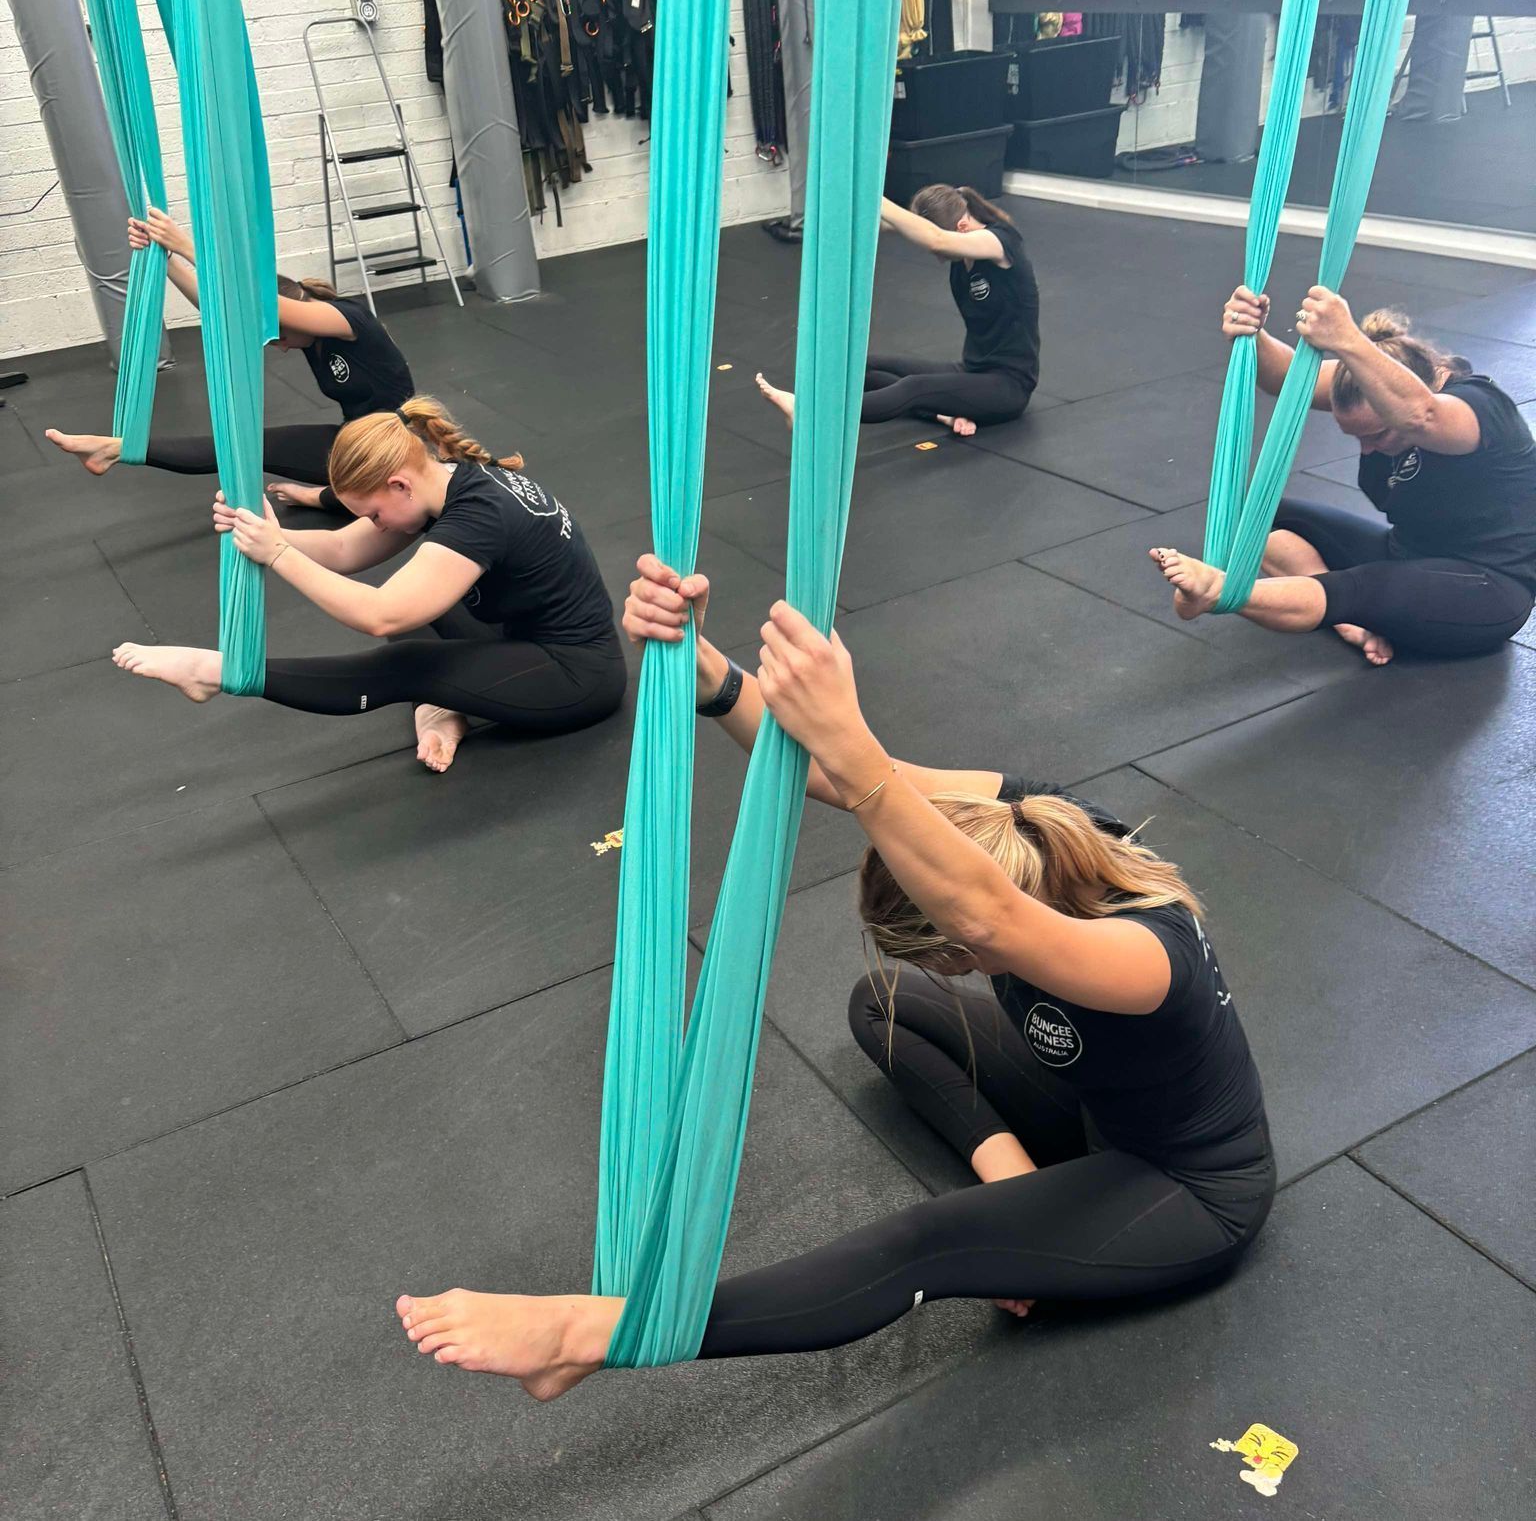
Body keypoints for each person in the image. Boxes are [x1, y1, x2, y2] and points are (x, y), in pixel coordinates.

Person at [391, 555, 1275, 1396]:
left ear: (970, 943)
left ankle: (593, 1332)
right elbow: (855, 781)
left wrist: (851, 735)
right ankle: (1025, 1194)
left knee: (924, 1244)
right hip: (1097, 1107)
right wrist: (716, 681)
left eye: (951, 957)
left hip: (1185, 1190)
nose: (953, 962)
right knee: (884, 1002)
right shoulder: (1031, 819)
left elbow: (982, 913)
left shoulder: (1146, 956)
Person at [111, 398, 626, 773]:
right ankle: (446, 705)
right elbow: (342, 551)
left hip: (576, 677)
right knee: (418, 605)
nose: (375, 524)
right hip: (518, 634)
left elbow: (380, 614)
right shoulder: (447, 481)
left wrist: (279, 553)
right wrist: (269, 533)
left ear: (399, 483)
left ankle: (219, 673)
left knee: (403, 656)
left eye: (374, 511)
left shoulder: (479, 518)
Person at [1152, 287, 1536, 664]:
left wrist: (1347, 337)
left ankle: (1221, 594)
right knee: (1252, 515)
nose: (1367, 450)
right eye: (1357, 439)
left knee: (1364, 587)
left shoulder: (1480, 409)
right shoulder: (1361, 380)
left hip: (1487, 589)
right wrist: (1253, 332)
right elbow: (1285, 379)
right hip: (1403, 554)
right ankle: (1349, 620)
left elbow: (1421, 415)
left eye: (1378, 435)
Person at [46, 207, 415, 513]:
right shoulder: (309, 339)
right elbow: (217, 308)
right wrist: (166, 258)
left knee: (370, 498)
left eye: (279, 337)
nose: (282, 347)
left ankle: (320, 497)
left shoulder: (348, 320)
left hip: (397, 449)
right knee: (244, 445)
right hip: (358, 442)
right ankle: (114, 449)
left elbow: (257, 303)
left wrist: (190, 247)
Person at [755, 186, 1041, 438]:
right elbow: (891, 227)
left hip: (1008, 385)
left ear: (962, 227)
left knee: (914, 387)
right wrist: (841, 210)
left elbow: (936, 239)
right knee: (861, 367)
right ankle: (945, 411)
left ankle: (810, 415)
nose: (936, 258)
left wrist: (874, 194)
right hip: (972, 369)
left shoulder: (1001, 242)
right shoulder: (962, 241)